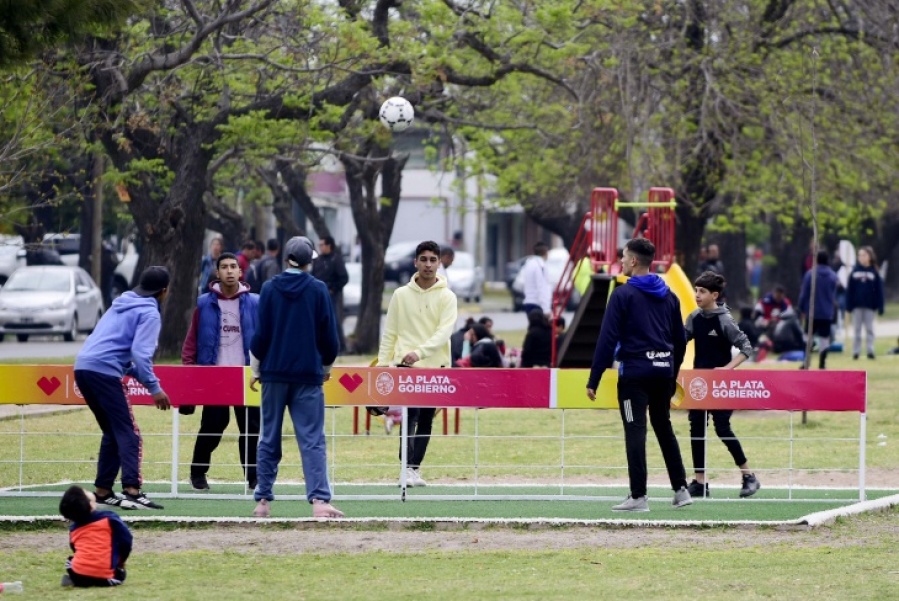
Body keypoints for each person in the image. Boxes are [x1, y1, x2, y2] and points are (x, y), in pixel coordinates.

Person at [585, 238, 691, 512]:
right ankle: (681, 490)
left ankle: (638, 496)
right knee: (663, 427)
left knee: (635, 430)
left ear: (633, 261)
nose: (620, 261)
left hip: (634, 375)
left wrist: (594, 379)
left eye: (623, 256)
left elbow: (607, 339)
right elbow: (680, 341)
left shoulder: (622, 295)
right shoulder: (670, 296)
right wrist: (671, 373)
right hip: (663, 373)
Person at [249, 236, 343, 518]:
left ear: (285, 258)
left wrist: (256, 369)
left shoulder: (269, 288)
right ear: (309, 261)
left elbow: (261, 334)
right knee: (312, 439)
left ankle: (263, 500)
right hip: (308, 375)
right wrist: (325, 368)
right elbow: (329, 337)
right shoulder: (318, 289)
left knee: (268, 436)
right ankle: (319, 501)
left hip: (273, 373)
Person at [74, 266, 172, 510]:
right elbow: (140, 354)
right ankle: (132, 490)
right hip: (104, 373)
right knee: (129, 433)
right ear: (164, 291)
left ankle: (103, 491)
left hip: (83, 368)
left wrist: (146, 381)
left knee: (112, 431)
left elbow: (119, 354)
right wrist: (154, 387)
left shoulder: (120, 303)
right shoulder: (150, 313)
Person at [377, 240, 457, 487]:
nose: (428, 265)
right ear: (415, 262)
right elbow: (390, 333)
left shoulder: (447, 296)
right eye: (423, 259)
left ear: (439, 263)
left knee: (425, 418)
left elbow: (444, 333)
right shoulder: (400, 295)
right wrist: (382, 367)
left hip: (435, 367)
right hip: (406, 367)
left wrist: (420, 353)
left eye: (433, 260)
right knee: (409, 415)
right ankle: (405, 469)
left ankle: (414, 468)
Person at [182, 252, 260, 491]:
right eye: (224, 267)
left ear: (240, 272)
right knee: (213, 426)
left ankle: (254, 478)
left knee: (251, 429)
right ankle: (197, 472)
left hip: (246, 376)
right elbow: (191, 341)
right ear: (217, 272)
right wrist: (189, 372)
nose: (229, 271)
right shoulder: (204, 303)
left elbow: (266, 338)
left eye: (233, 266)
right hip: (214, 375)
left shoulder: (255, 303)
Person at [684, 271, 760, 499]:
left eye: (702, 291)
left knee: (722, 428)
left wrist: (727, 369)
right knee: (697, 428)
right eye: (696, 290)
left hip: (720, 386)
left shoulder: (725, 320)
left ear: (714, 295)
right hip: (698, 385)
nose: (697, 295)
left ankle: (749, 476)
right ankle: (699, 483)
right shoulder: (693, 318)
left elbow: (746, 348)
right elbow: (679, 341)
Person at [59, 485, 132, 588]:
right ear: (90, 504)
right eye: (86, 492)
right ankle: (97, 576)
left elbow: (74, 547)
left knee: (70, 561)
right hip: (107, 578)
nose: (89, 491)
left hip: (79, 575)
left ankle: (76, 579)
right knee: (120, 573)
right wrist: (121, 562)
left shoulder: (74, 529)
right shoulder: (109, 518)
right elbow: (126, 541)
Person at [799, 250, 839, 369]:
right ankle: (822, 362)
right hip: (826, 312)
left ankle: (806, 361)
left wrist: (801, 307)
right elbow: (834, 292)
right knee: (824, 338)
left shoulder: (810, 274)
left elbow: (804, 293)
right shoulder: (833, 276)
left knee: (807, 337)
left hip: (812, 311)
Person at [312, 236, 350, 353]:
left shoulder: (336, 260)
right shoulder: (318, 260)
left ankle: (340, 347)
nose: (320, 247)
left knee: (334, 320)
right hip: (318, 295)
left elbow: (343, 278)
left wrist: (333, 289)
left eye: (322, 245)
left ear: (329, 246)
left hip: (331, 295)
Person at [846, 246, 884, 360]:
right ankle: (856, 351)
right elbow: (850, 290)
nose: (861, 257)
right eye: (860, 255)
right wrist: (849, 305)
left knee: (869, 329)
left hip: (869, 306)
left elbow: (879, 290)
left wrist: (880, 305)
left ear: (870, 256)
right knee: (857, 329)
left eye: (864, 255)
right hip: (857, 306)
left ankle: (870, 350)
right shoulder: (855, 272)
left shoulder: (874, 272)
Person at [519, 241, 551, 316]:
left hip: (528, 302)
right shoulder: (541, 266)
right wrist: (546, 309)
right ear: (545, 252)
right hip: (537, 304)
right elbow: (542, 287)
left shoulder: (529, 263)